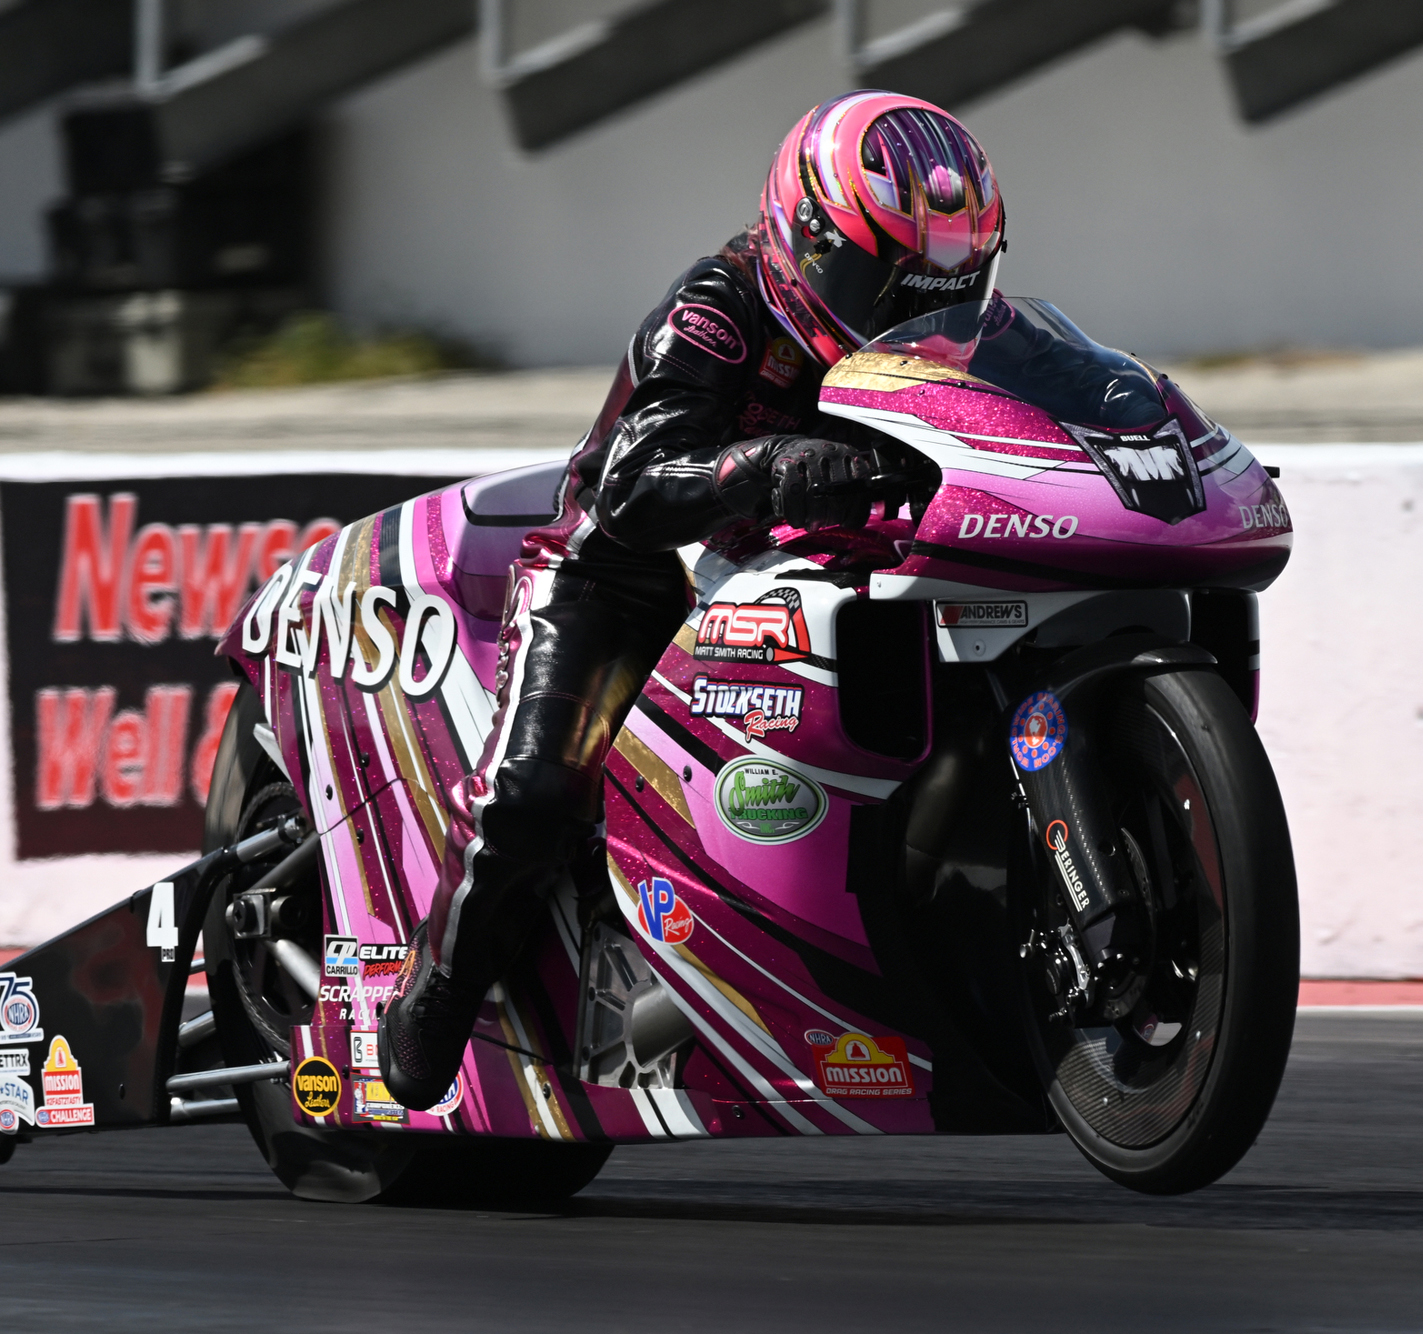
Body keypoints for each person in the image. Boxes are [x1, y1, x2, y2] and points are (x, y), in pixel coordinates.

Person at [380, 91, 1008, 1111]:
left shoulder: (953, 350)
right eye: (883, 282)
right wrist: (765, 464)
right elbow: (631, 486)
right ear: (807, 236)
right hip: (620, 578)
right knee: (534, 794)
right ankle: (438, 986)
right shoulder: (716, 307)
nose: (905, 319)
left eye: (943, 290)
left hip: (810, 574)